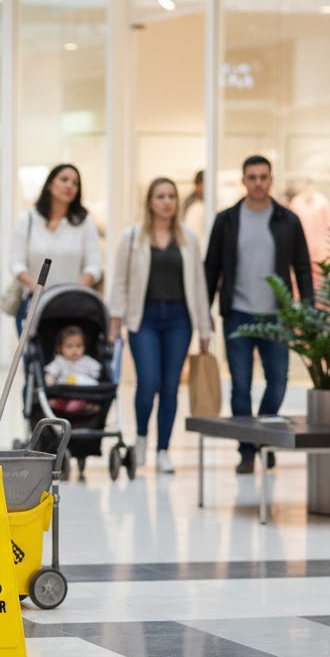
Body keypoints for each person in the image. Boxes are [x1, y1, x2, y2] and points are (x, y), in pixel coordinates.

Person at [204, 155, 313, 474]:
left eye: (263, 177)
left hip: (276, 315)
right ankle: (247, 449)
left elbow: (303, 266)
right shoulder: (226, 220)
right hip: (237, 313)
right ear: (243, 181)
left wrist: (306, 306)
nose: (258, 183)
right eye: (252, 177)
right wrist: (205, 313)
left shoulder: (287, 220)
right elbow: (211, 268)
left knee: (278, 381)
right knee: (240, 385)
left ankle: (263, 437)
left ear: (271, 180)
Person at [109, 177, 212, 473]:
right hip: (145, 319)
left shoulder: (189, 239)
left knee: (170, 387)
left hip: (180, 319)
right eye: (160, 196)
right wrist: (115, 321)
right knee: (148, 382)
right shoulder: (132, 238)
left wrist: (205, 329)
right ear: (150, 202)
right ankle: (141, 440)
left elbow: (199, 286)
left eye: (171, 196)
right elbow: (119, 282)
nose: (167, 201)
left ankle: (164, 450)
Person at [7, 163, 102, 335]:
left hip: (73, 306)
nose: (69, 186)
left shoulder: (84, 222)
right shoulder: (28, 220)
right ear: (50, 184)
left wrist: (73, 291)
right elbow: (16, 263)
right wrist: (38, 288)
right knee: (35, 357)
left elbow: (93, 265)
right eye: (64, 180)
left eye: (75, 183)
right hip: (33, 304)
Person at [45, 324, 101, 415]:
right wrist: (50, 382)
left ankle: (76, 410)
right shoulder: (60, 361)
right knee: (52, 402)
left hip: (81, 394)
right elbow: (50, 373)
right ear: (60, 348)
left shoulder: (87, 361)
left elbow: (97, 374)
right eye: (69, 346)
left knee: (77, 404)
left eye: (78, 346)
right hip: (63, 394)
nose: (75, 350)